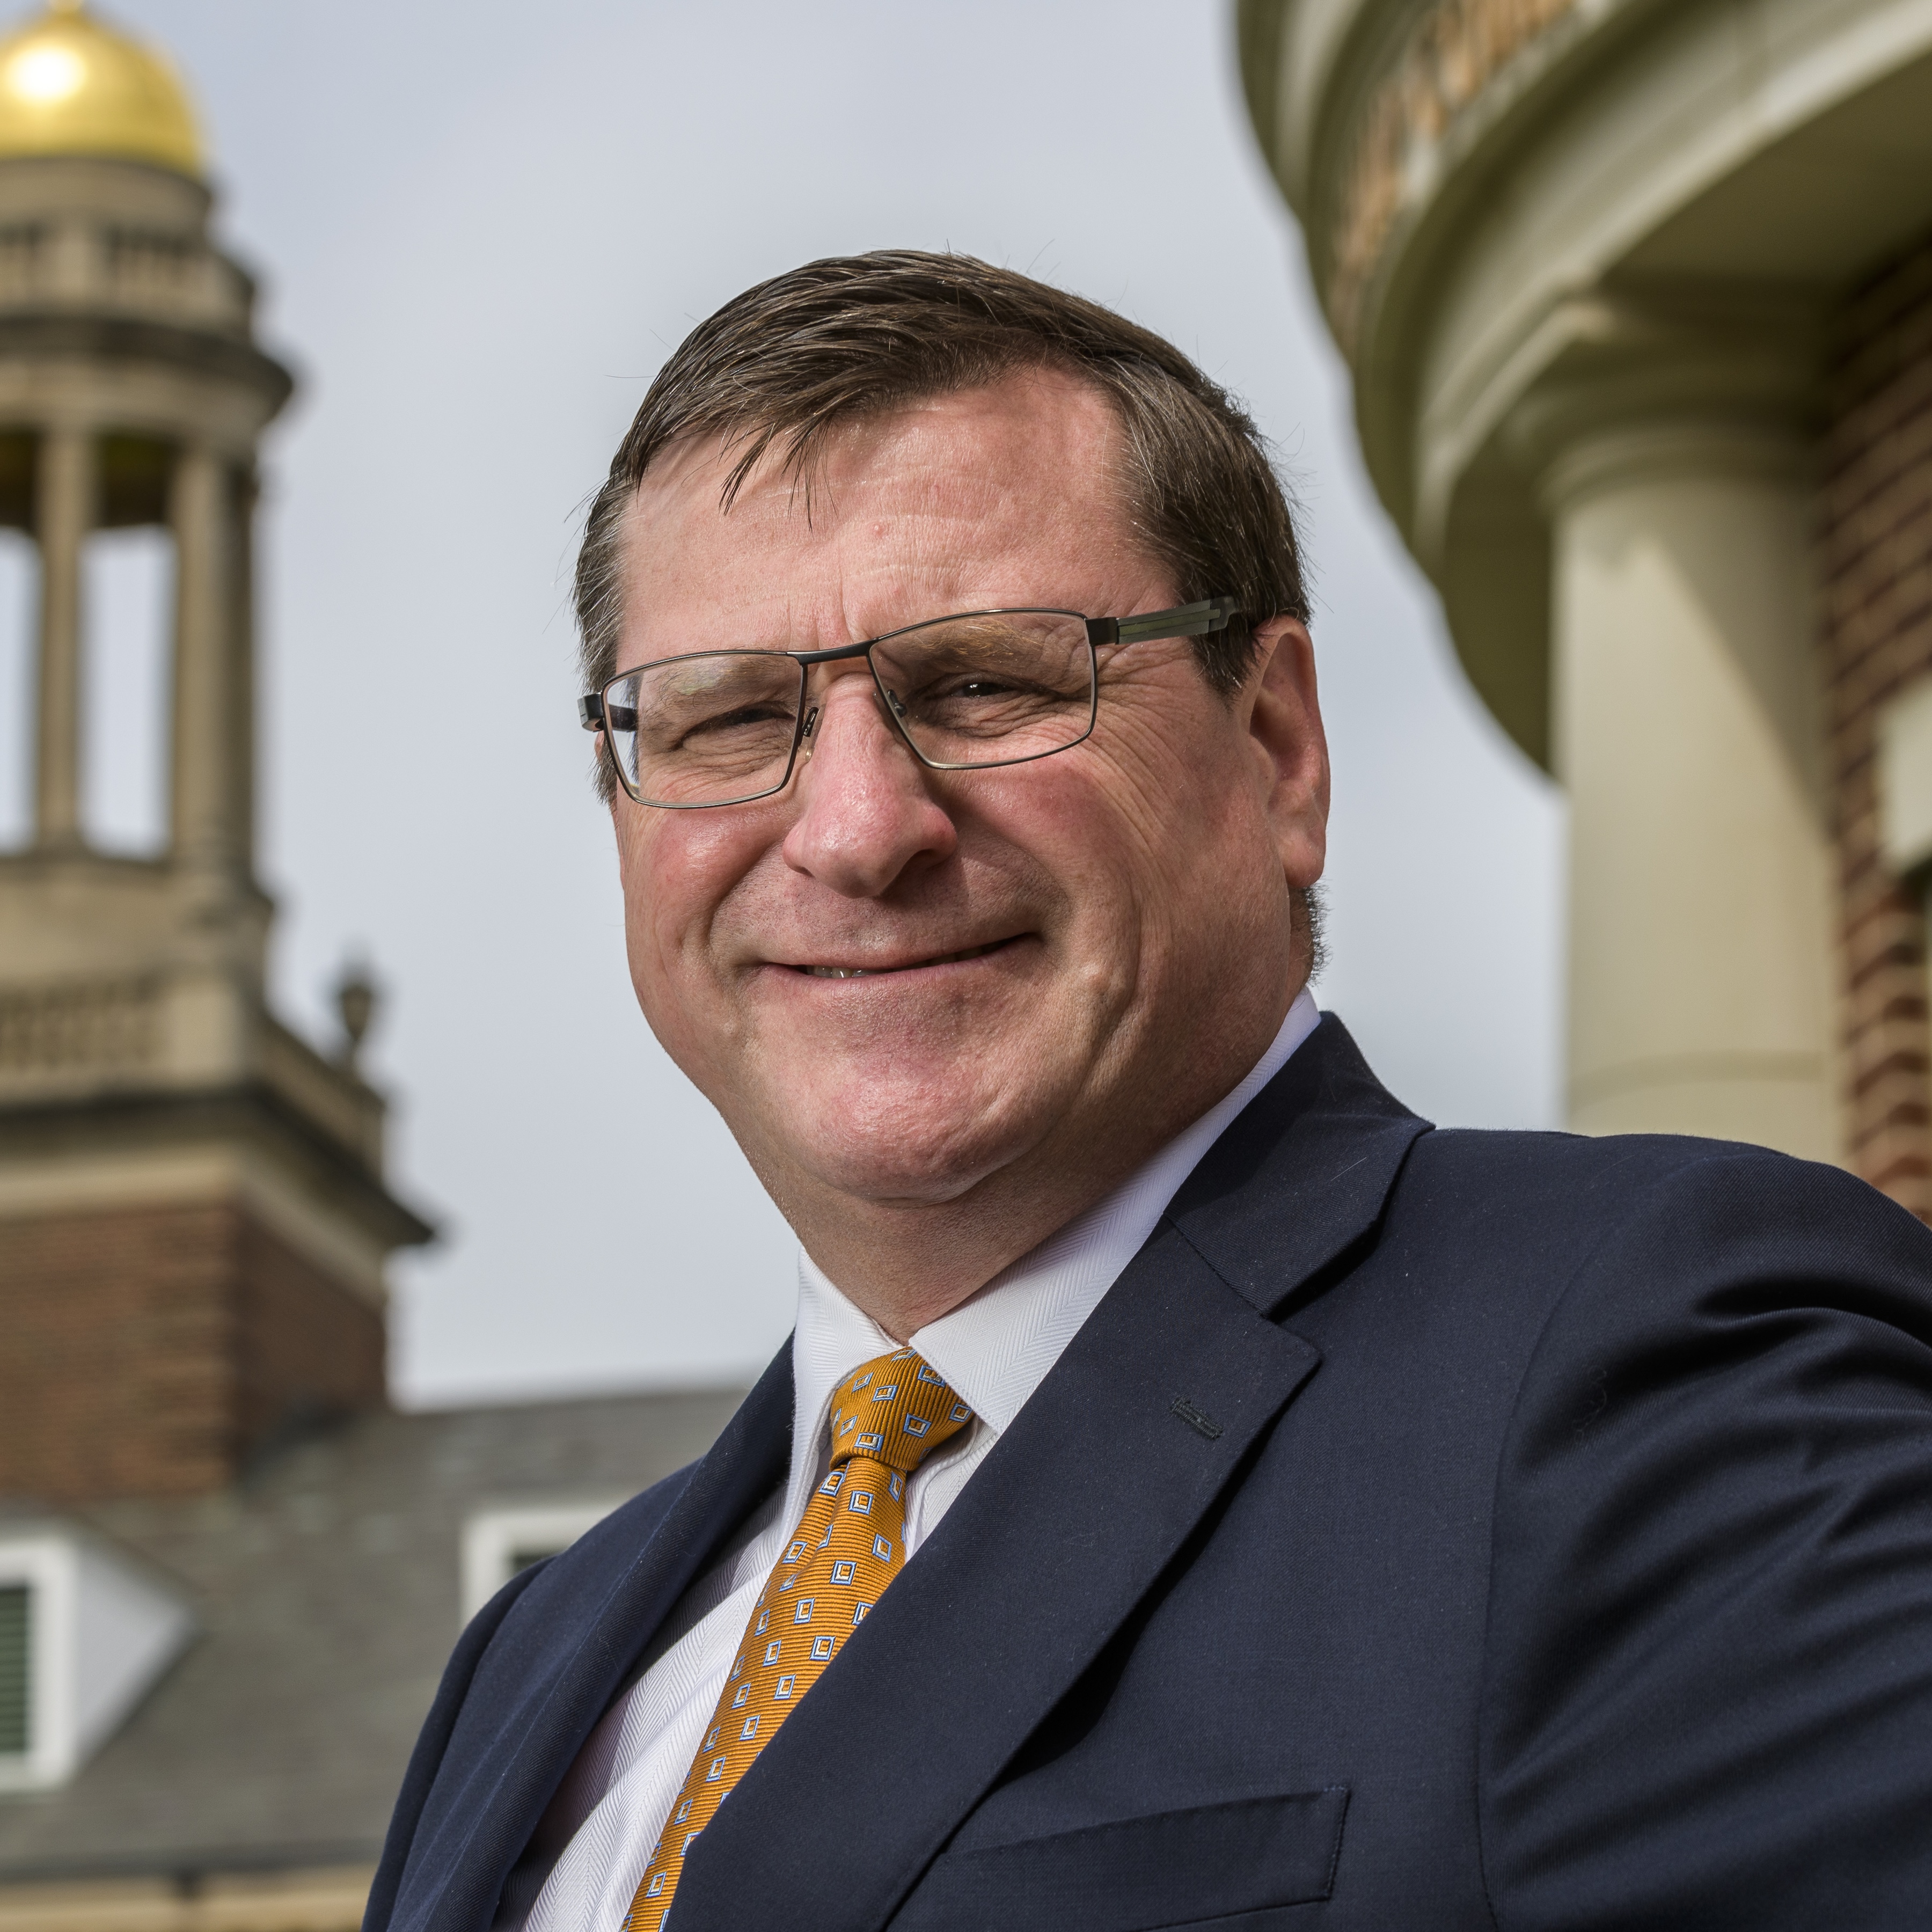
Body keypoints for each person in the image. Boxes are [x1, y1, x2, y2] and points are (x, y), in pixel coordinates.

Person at [365, 252, 1932, 1932]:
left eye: (984, 683)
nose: (853, 829)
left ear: (1277, 749)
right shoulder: (531, 1664)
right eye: (730, 718)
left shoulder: (1661, 1370)